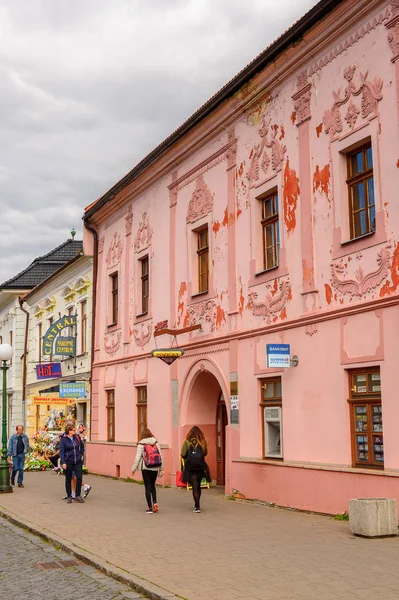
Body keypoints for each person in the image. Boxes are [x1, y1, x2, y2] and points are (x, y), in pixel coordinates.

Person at [132, 428, 163, 513]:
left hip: (146, 468)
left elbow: (137, 458)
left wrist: (133, 469)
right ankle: (155, 503)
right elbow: (160, 456)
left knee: (147, 486)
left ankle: (149, 508)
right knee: (153, 485)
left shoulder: (141, 443)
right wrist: (161, 469)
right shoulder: (156, 443)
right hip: (155, 467)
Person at [181, 426, 208, 513]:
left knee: (194, 486)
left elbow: (183, 454)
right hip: (200, 466)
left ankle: (197, 506)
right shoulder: (202, 441)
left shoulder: (187, 441)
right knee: (198, 485)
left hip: (191, 467)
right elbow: (205, 453)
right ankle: (197, 504)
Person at [60, 423, 85, 504]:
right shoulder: (63, 440)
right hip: (69, 461)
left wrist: (80, 454)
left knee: (79, 477)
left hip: (77, 461)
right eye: (73, 430)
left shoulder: (76, 437)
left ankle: (77, 495)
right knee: (68, 479)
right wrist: (63, 462)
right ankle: (69, 496)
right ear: (69, 431)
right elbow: (62, 452)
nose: (75, 431)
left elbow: (82, 446)